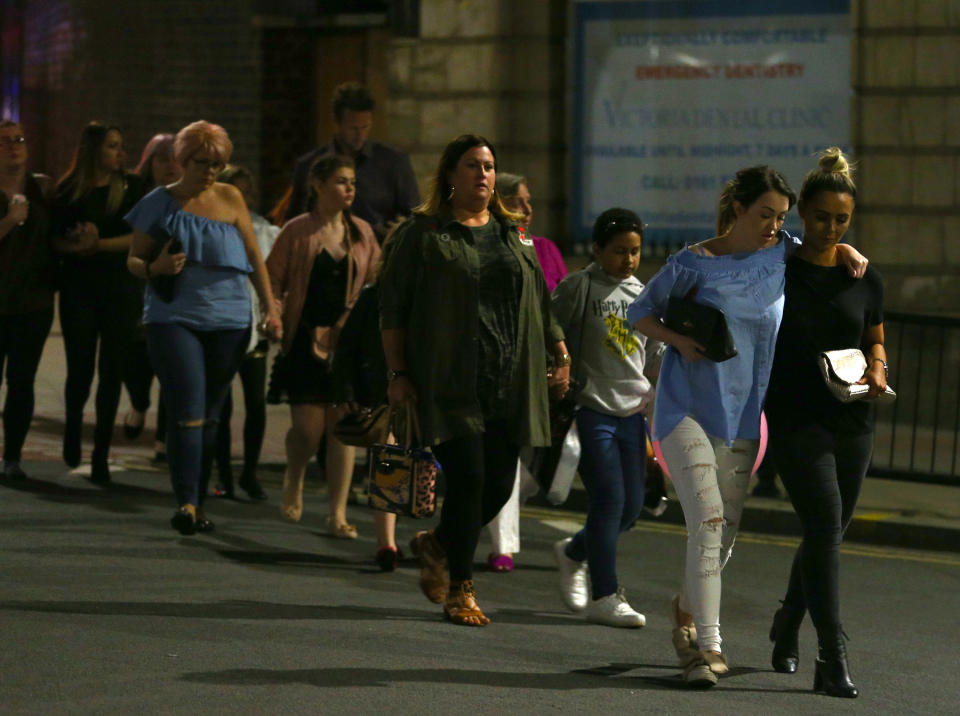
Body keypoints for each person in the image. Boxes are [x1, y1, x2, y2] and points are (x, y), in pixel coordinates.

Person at [627, 165, 867, 687]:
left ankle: (687, 611)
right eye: (765, 215)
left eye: (781, 218)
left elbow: (816, 247)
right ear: (738, 208)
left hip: (742, 418)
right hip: (684, 410)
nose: (774, 227)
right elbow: (640, 313)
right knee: (708, 520)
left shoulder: (780, 253)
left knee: (723, 536)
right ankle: (709, 648)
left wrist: (846, 251)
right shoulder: (692, 263)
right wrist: (681, 341)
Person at [379, 134, 570, 626]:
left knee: (497, 487)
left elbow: (539, 298)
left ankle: (438, 543)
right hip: (451, 379)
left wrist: (559, 350)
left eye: (488, 166)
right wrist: (398, 373)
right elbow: (393, 307)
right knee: (470, 479)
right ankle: (461, 588)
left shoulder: (515, 232)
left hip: (510, 379)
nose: (483, 174)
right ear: (449, 174)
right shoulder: (423, 233)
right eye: (471, 166)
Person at [124, 120, 282, 535]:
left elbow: (253, 256)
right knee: (190, 410)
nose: (210, 171)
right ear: (181, 160)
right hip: (175, 315)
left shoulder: (230, 198)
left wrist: (270, 307)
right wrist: (155, 266)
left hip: (230, 319)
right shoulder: (160, 202)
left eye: (217, 163)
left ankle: (199, 498)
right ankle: (187, 503)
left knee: (212, 414)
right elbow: (133, 260)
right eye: (202, 162)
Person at [765, 149, 883, 699]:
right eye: (821, 217)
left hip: (854, 415)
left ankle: (789, 617)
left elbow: (874, 333)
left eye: (841, 220)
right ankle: (831, 655)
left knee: (826, 532)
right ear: (801, 216)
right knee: (824, 525)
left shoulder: (861, 272)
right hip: (794, 417)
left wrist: (879, 365)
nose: (831, 228)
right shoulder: (777, 268)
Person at [550, 208, 661, 627]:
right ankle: (605, 594)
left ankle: (574, 551)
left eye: (634, 252)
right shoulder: (581, 286)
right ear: (597, 249)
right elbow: (551, 329)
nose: (628, 260)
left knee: (632, 507)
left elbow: (650, 353)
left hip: (633, 412)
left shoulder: (642, 293)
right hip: (592, 408)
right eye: (618, 251)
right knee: (609, 499)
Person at [266, 154, 380, 535]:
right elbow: (273, 282)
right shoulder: (297, 231)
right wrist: (275, 315)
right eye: (341, 181)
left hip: (346, 346)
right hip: (304, 340)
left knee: (342, 428)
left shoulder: (362, 232)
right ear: (317, 185)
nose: (350, 189)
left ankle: (337, 513)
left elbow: (375, 284)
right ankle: (295, 475)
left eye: (352, 183)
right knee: (308, 430)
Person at [482, 172, 568, 572]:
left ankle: (494, 510)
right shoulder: (489, 244)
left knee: (541, 461)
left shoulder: (545, 248)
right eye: (519, 201)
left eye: (529, 201)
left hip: (544, 363)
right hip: (504, 364)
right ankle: (504, 544)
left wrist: (562, 357)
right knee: (507, 452)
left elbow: (557, 307)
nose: (529, 209)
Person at [53, 122, 146, 483]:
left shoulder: (132, 189)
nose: (120, 153)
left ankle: (102, 452)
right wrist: (75, 244)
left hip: (119, 290)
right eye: (112, 146)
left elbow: (140, 237)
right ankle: (73, 429)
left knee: (112, 371)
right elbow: (54, 240)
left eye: (121, 146)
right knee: (79, 369)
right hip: (80, 290)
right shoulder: (68, 191)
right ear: (93, 150)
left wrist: (98, 245)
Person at [213, 164, 279, 502]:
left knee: (256, 405)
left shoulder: (263, 229)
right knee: (221, 408)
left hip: (253, 328)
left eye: (247, 191)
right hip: (222, 326)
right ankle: (223, 473)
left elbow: (276, 274)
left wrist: (273, 311)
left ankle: (249, 472)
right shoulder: (211, 226)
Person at [284, 82, 420, 240]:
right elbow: (293, 222)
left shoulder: (393, 162)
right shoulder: (309, 165)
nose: (360, 135)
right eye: (353, 128)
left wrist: (400, 229)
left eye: (365, 127)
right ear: (337, 123)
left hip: (380, 252)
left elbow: (415, 215)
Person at [0, 120, 57, 480]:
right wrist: (8, 221)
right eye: (4, 141)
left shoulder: (43, 190)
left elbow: (56, 237)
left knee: (22, 380)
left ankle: (13, 458)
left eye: (18, 139)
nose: (13, 146)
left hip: (32, 302)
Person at [122, 133, 181, 455]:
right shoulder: (136, 195)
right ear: (150, 163)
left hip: (171, 291)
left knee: (170, 364)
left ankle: (163, 437)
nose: (170, 166)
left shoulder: (186, 198)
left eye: (175, 158)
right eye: (162, 159)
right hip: (135, 287)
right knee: (135, 360)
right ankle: (139, 402)